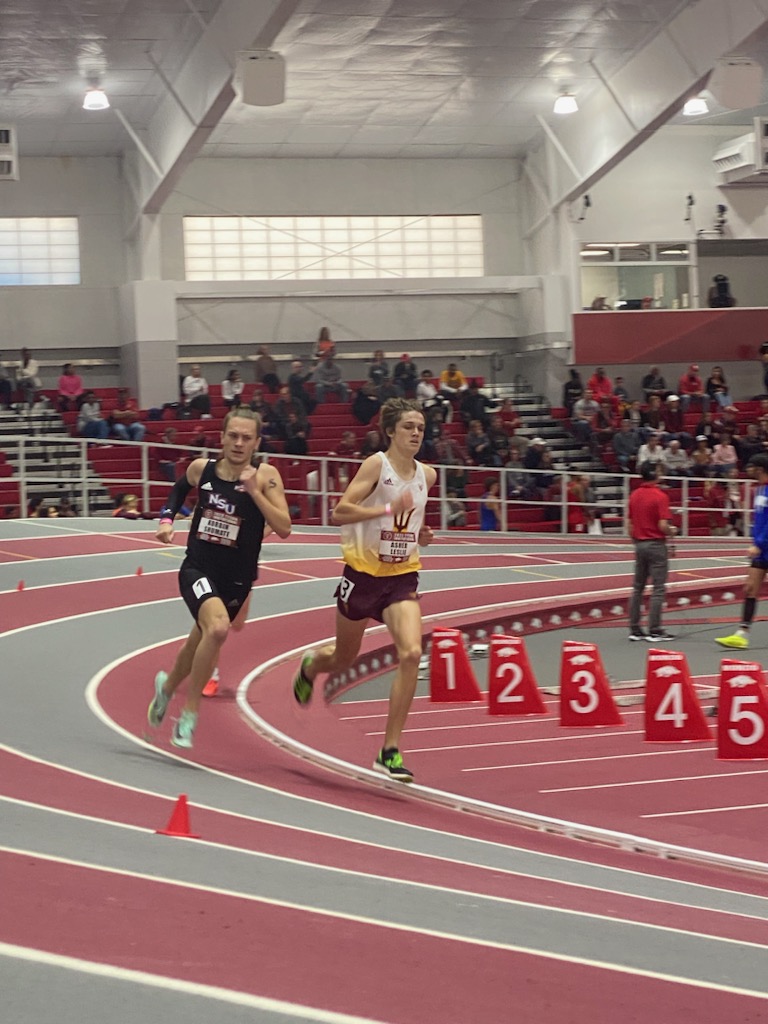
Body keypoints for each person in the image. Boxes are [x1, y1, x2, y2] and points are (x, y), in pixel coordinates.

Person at [291, 398, 436, 782]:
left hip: (402, 576)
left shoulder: (429, 475)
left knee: (411, 652)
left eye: (420, 427)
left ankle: (389, 750)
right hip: (362, 575)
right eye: (408, 427)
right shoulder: (377, 465)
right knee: (343, 657)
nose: (416, 433)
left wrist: (420, 531)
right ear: (390, 431)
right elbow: (340, 511)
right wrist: (385, 512)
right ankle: (310, 666)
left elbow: (412, 517)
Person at [148, 408, 292, 749]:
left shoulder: (267, 476)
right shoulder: (204, 469)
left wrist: (255, 493)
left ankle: (166, 689)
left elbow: (284, 527)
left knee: (199, 640)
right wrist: (166, 520)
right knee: (217, 629)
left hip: (237, 580)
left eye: (247, 438)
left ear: (257, 442)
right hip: (198, 567)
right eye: (233, 436)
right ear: (223, 437)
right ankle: (190, 715)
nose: (239, 443)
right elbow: (177, 491)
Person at [715, 454, 768, 650]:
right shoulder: (760, 489)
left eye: (751, 467)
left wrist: (760, 542)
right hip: (761, 550)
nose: (748, 471)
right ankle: (742, 634)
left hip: (764, 546)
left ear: (760, 468)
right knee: (750, 588)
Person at [627, 462, 678, 642]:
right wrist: (673, 531)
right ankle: (654, 629)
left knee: (638, 587)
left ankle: (634, 628)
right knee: (658, 588)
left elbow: (629, 524)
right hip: (656, 544)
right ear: (654, 474)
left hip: (639, 543)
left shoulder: (634, 495)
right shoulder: (660, 496)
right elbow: (663, 525)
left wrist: (636, 540)